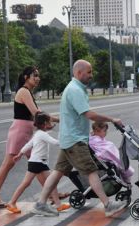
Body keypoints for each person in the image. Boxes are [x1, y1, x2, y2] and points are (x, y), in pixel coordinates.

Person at [32, 59, 127, 217]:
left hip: (70, 139)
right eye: (89, 72)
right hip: (75, 141)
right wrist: (112, 119)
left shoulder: (75, 89)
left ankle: (40, 204)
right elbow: (89, 114)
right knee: (91, 171)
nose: (91, 75)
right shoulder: (75, 90)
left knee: (57, 172)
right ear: (78, 73)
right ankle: (108, 205)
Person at [0, 66, 62, 207]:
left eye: (38, 76)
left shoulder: (28, 92)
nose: (38, 78)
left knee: (38, 164)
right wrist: (57, 120)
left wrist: (50, 122)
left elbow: (37, 115)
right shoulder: (23, 91)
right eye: (35, 75)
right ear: (26, 77)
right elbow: (37, 114)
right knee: (8, 164)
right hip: (20, 132)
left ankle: (53, 194)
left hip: (26, 131)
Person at [7, 112, 70, 214]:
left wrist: (20, 154)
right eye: (50, 122)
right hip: (37, 163)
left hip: (38, 162)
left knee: (50, 182)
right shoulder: (43, 134)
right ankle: (12, 202)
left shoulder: (38, 134)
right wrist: (67, 140)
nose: (51, 123)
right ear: (45, 123)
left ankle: (58, 205)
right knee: (28, 183)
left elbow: (28, 145)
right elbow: (55, 142)